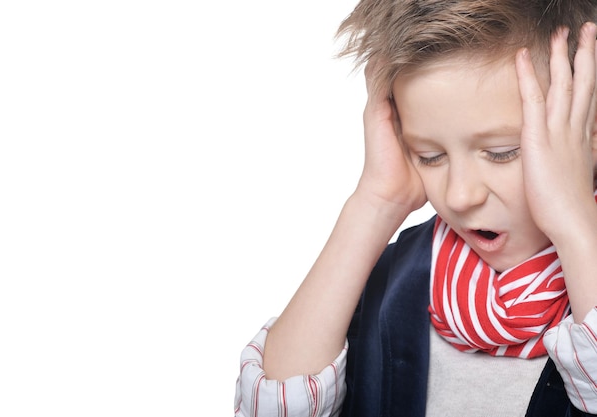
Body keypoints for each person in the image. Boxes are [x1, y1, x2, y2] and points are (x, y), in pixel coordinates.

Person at [234, 1, 597, 416]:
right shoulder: (391, 278)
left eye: (501, 152)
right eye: (429, 156)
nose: (459, 196)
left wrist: (576, 228)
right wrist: (374, 203)